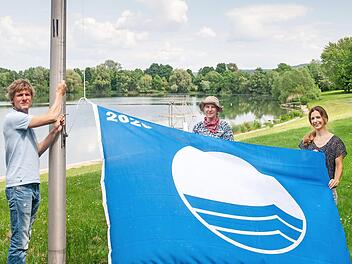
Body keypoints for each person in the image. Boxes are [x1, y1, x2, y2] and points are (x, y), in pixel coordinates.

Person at [3, 79, 66, 263]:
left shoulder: (25, 125)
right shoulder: (13, 119)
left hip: (31, 186)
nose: (24, 97)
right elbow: (51, 115)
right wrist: (59, 93)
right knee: (19, 243)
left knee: (25, 238)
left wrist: (54, 132)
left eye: (27, 94)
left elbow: (35, 151)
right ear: (13, 100)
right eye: (19, 95)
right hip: (20, 187)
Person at [299, 105, 347, 204]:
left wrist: (336, 179)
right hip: (310, 188)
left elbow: (339, 165)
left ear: (324, 118)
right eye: (312, 118)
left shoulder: (335, 142)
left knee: (328, 218)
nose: (315, 121)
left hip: (328, 189)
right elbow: (301, 164)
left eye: (318, 117)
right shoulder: (306, 142)